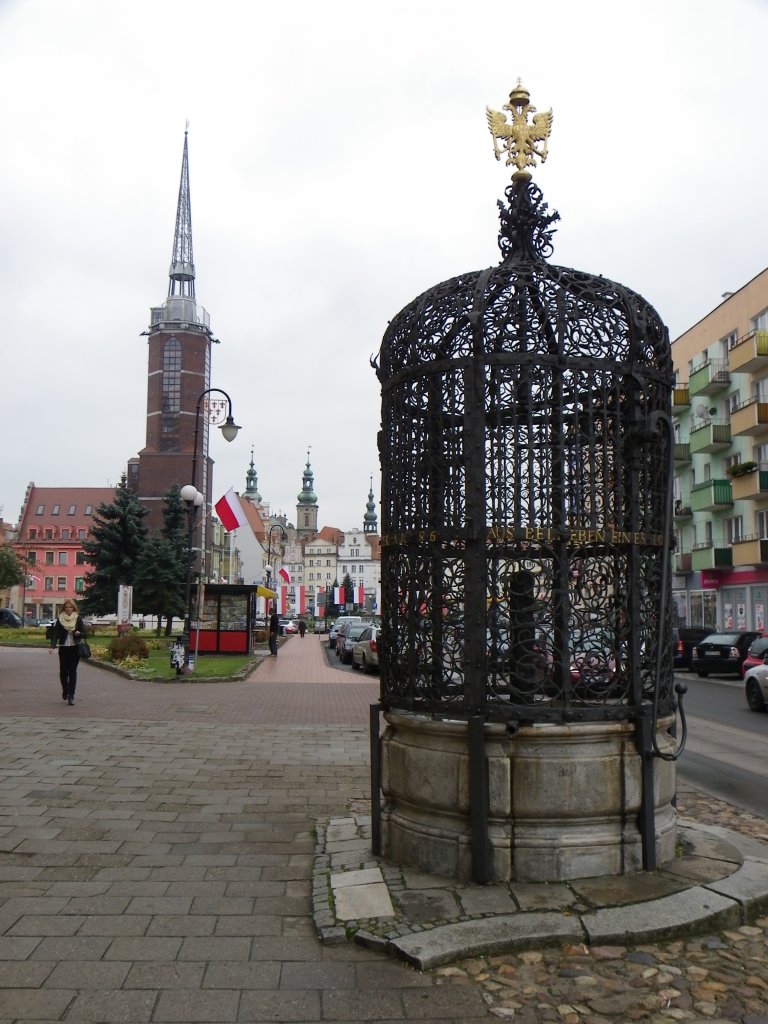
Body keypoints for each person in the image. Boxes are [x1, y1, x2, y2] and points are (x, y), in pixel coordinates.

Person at [48, 599, 86, 705]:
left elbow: (84, 633)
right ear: (64, 608)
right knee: (63, 671)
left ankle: (71, 695)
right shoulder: (60, 619)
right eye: (66, 607)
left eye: (70, 607)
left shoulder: (77, 618)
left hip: (75, 648)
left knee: (73, 671)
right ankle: (65, 689)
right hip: (64, 647)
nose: (68, 609)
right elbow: (55, 634)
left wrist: (79, 633)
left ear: (73, 608)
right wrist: (52, 646)